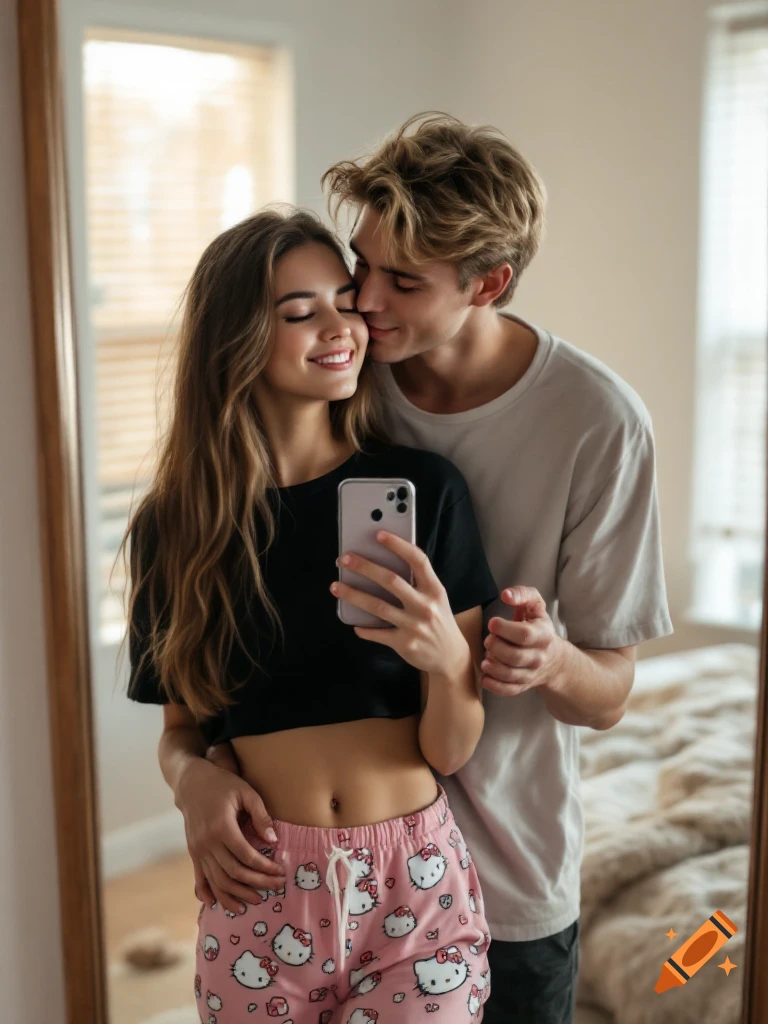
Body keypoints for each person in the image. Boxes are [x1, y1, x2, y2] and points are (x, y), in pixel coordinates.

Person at [200, 114, 674, 1024]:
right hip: (308, 875)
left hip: (506, 872)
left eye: (401, 282)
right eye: (360, 265)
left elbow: (610, 694)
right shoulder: (341, 370)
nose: (364, 302)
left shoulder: (599, 423)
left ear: (487, 283)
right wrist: (194, 779)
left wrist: (546, 661)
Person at [124, 207, 500, 1024]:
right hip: (257, 885)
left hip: (414, 883)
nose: (341, 326)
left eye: (344, 300)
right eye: (300, 312)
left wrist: (444, 662)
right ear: (236, 340)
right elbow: (182, 729)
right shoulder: (177, 528)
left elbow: (451, 746)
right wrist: (190, 783)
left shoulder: (425, 492)